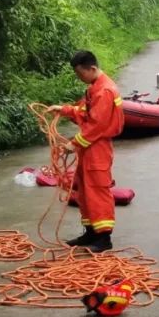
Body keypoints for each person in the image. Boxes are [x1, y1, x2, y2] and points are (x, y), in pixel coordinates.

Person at [53, 51, 125, 252]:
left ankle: (103, 238)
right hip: (89, 147)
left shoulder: (105, 91)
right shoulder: (95, 88)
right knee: (84, 190)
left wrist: (73, 144)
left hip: (98, 147)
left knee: (97, 190)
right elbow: (83, 112)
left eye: (80, 74)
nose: (79, 78)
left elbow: (96, 126)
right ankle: (91, 233)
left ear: (91, 69)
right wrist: (63, 109)